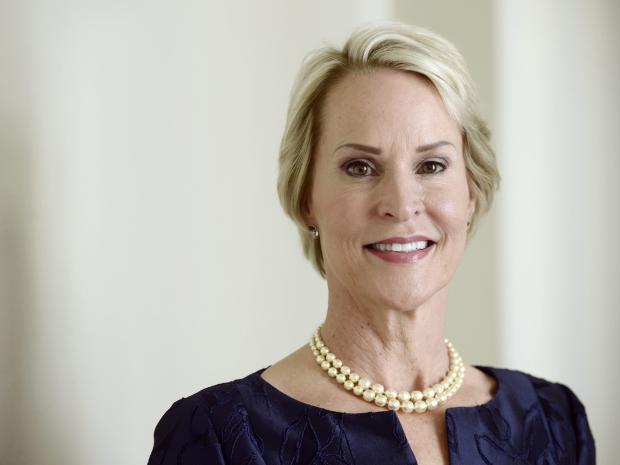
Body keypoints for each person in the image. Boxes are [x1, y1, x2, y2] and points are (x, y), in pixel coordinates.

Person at [147, 22, 595, 465]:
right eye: (360, 167)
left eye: (432, 166)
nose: (400, 205)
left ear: (471, 193)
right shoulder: (221, 437)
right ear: (306, 199)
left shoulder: (554, 422)